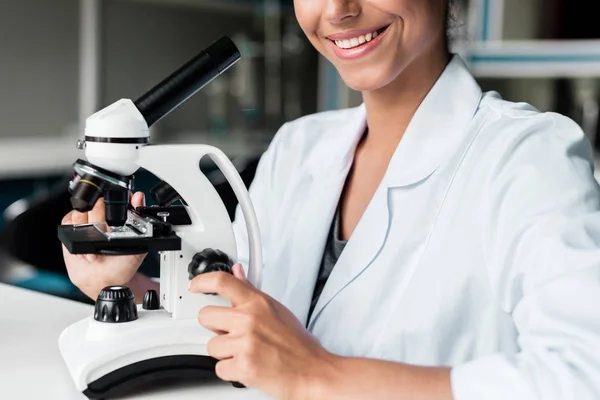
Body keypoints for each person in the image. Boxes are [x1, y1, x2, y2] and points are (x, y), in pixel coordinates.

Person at [61, 0, 600, 399]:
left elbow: (582, 375)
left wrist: (318, 375)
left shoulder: (528, 155)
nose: (339, 10)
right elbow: (240, 315)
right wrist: (128, 286)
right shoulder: (301, 146)